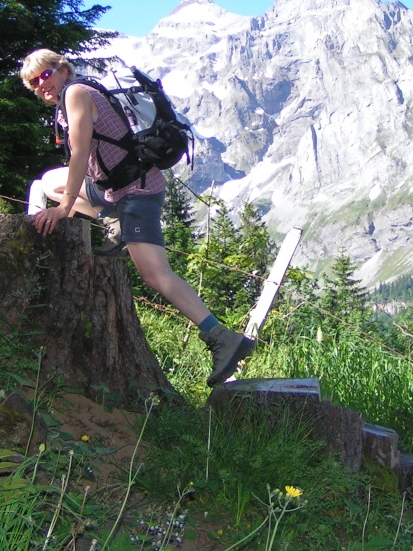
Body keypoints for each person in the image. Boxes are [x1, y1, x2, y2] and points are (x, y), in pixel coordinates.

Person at [20, 48, 255, 387]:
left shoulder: (75, 93)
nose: (41, 85)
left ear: (62, 69)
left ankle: (221, 337)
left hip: (136, 191)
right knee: (49, 182)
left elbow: (80, 152)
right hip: (113, 189)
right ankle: (115, 222)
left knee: (155, 274)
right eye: (33, 83)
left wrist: (64, 208)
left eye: (45, 75)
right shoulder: (75, 93)